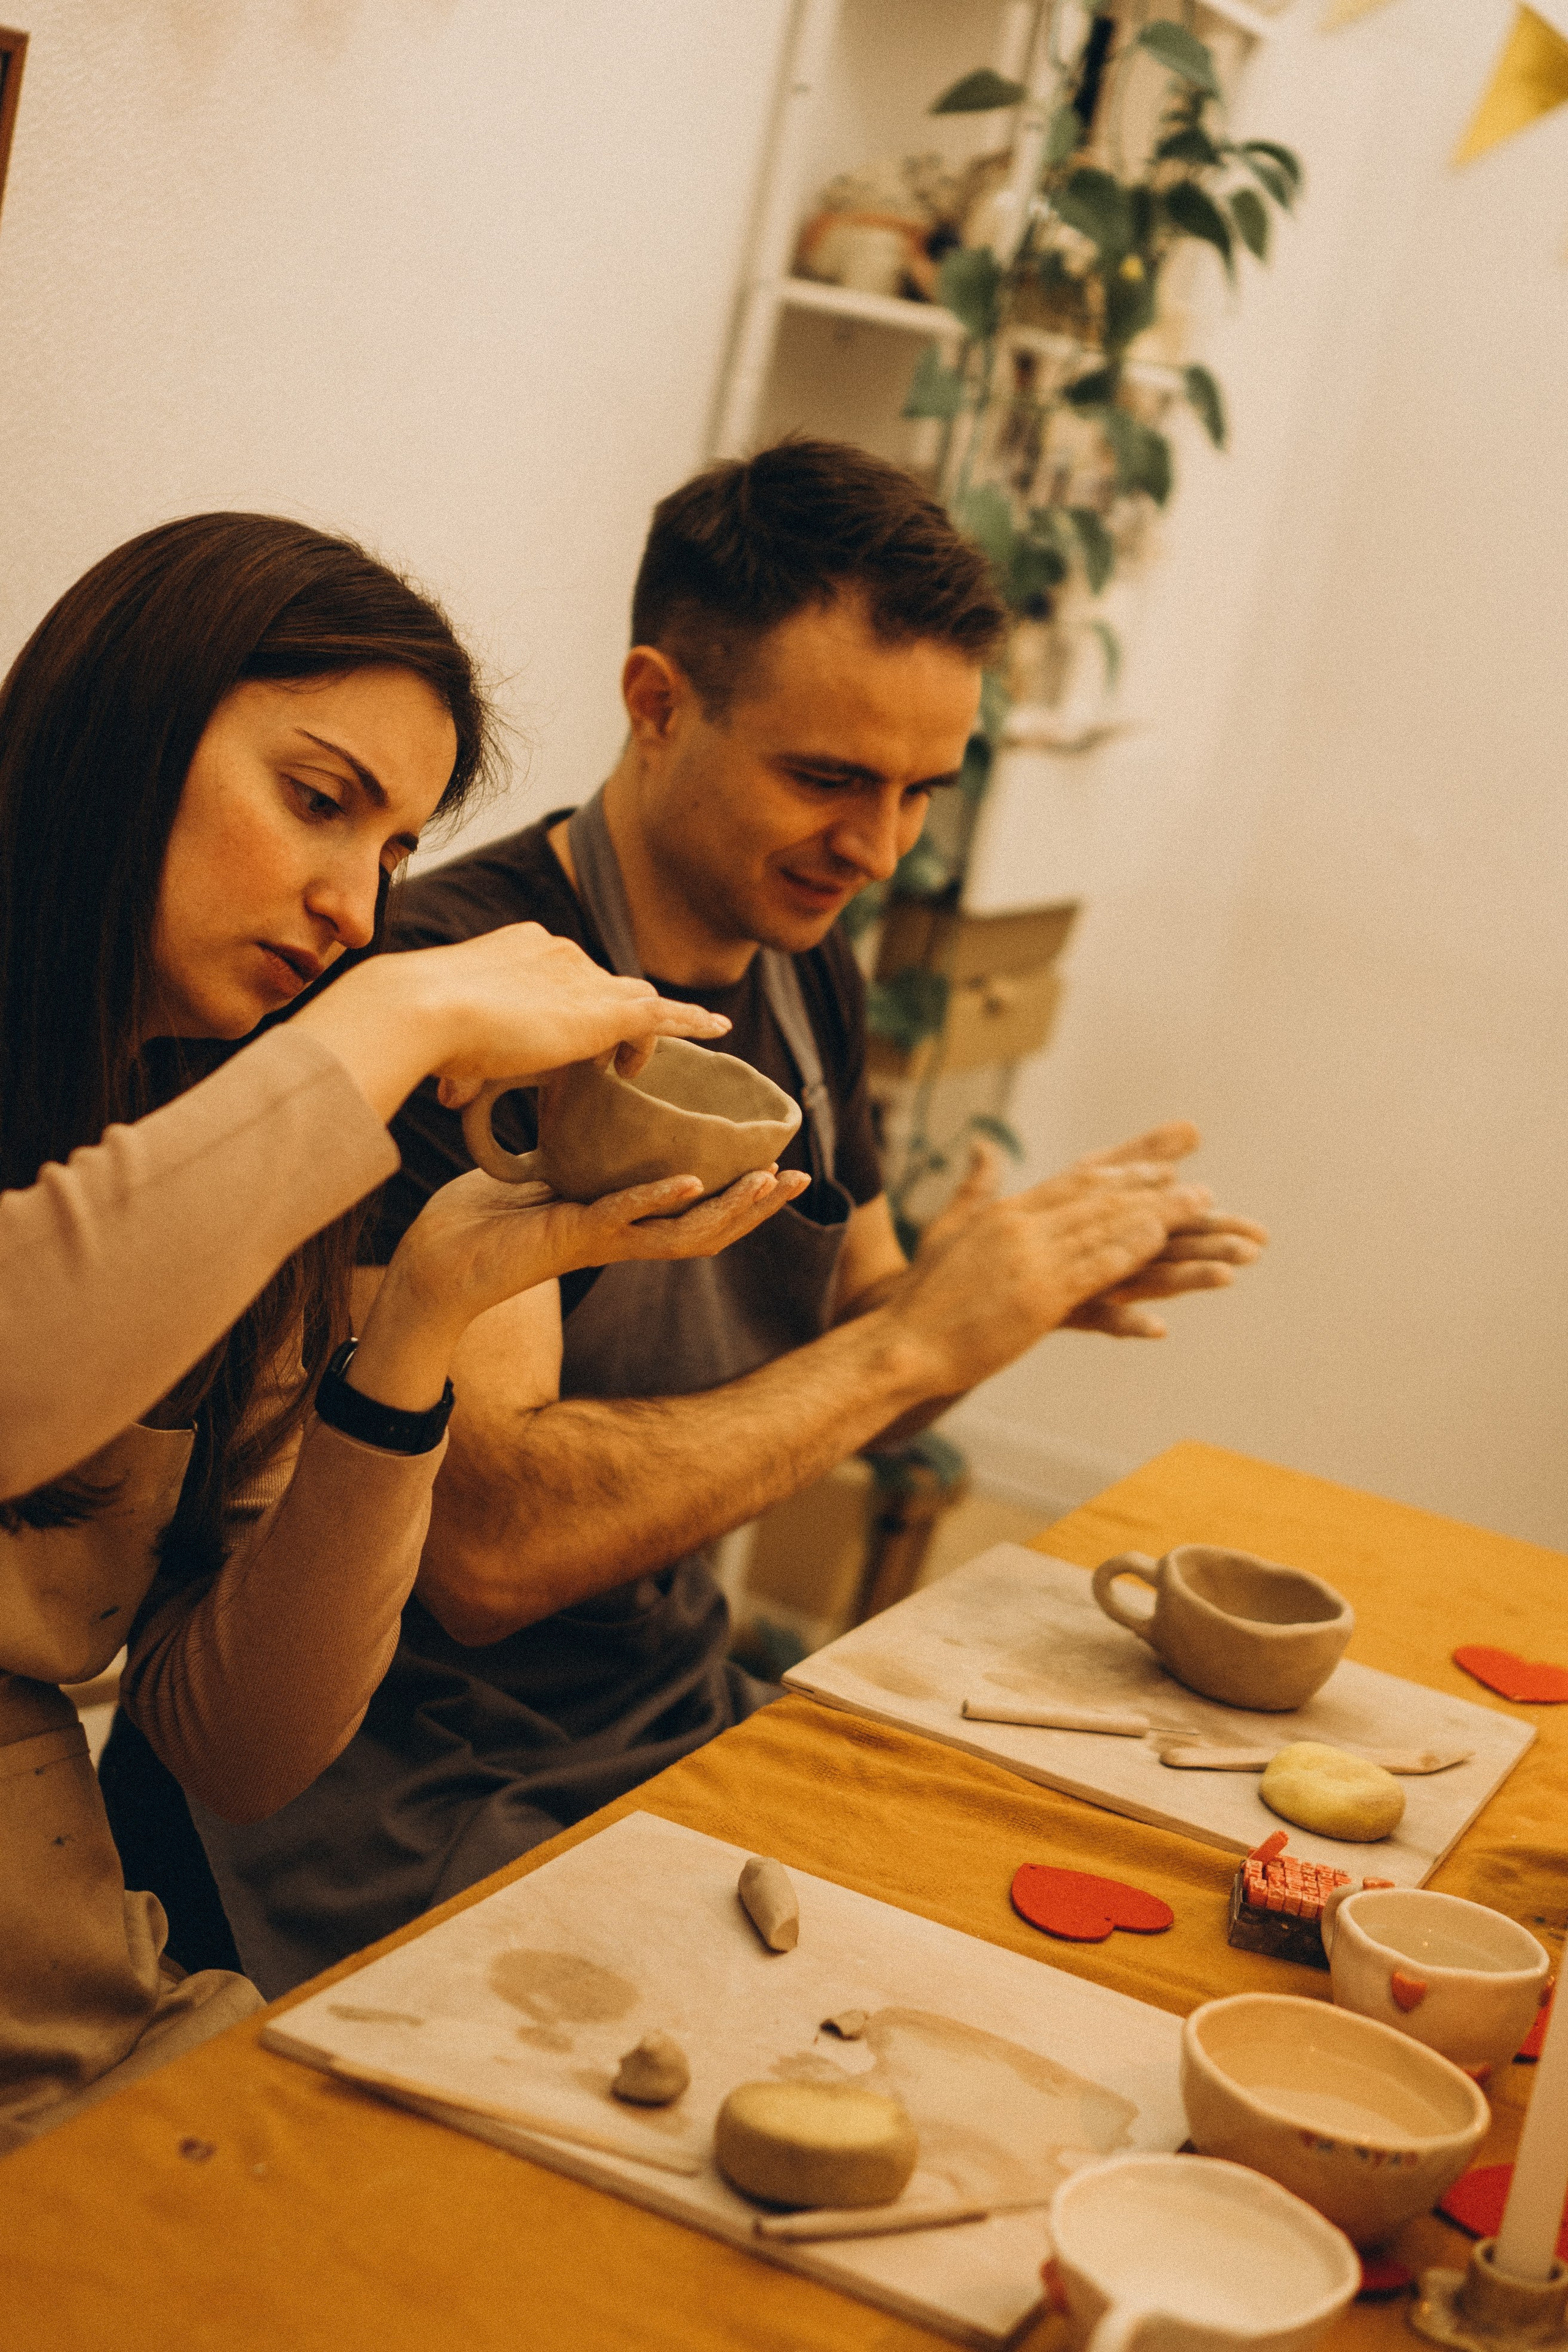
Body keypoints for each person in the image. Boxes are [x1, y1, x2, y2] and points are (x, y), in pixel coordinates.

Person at [144, 443, 1267, 1996]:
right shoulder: (440, 996)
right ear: (656, 702)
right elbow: (489, 1547)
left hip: (665, 1711)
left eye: (919, 794)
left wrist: (995, 1294)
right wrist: (915, 1347)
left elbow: (862, 1344)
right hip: (402, 1786)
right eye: (829, 779)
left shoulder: (803, 964)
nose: (878, 849)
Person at [0, 510, 797, 2147]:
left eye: (391, 854)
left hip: (79, 2004)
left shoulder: (244, 1150)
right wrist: (403, 1007)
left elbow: (236, 1747)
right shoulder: (284, 1109)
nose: (355, 909)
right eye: (317, 802)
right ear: (126, 725)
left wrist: (423, 1319)